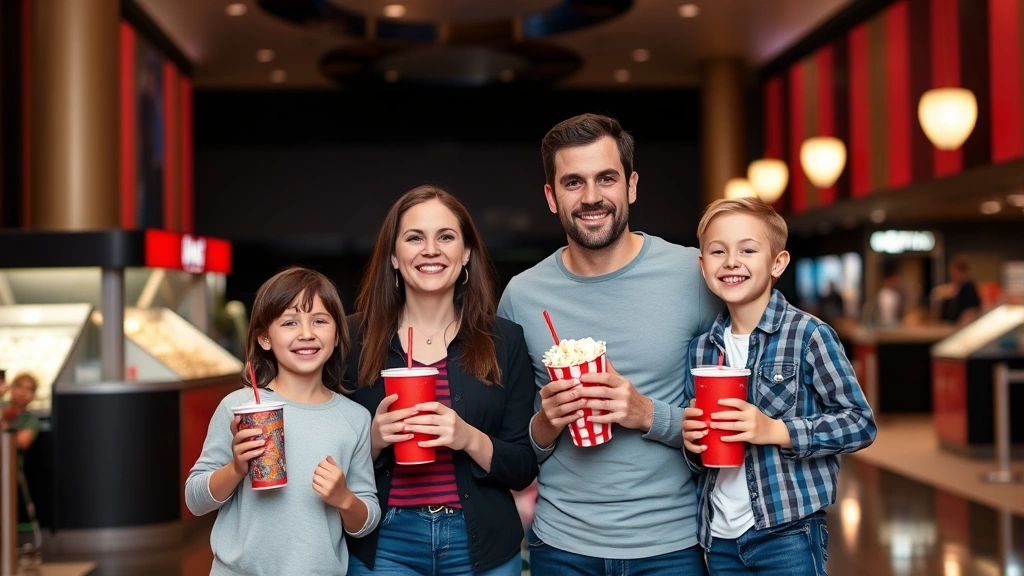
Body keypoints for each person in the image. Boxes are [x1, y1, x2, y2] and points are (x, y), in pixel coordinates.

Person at [497, 113, 719, 574]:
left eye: (606, 178)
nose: (592, 197)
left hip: (673, 545)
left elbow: (732, 421)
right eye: (573, 182)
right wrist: (546, 422)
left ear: (632, 186)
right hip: (561, 546)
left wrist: (645, 414)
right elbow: (513, 444)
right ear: (551, 197)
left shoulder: (693, 275)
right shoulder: (522, 295)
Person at [343, 185, 537, 576]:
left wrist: (468, 438)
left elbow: (524, 465)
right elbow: (319, 454)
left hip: (483, 544)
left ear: (466, 253)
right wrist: (373, 441)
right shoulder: (351, 340)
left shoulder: (506, 340)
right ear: (394, 257)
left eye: (445, 237)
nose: (430, 250)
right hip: (385, 542)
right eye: (414, 238)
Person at [681, 197, 877, 575]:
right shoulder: (701, 349)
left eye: (748, 250)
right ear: (703, 267)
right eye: (718, 251)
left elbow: (860, 422)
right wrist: (692, 443)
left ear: (777, 263)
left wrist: (775, 430)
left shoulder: (808, 335)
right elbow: (698, 454)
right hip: (718, 537)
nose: (732, 262)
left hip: (788, 531)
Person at [186, 267, 379, 575]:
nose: (306, 333)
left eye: (319, 321)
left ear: (337, 333)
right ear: (264, 337)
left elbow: (365, 522)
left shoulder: (354, 419)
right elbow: (195, 500)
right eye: (290, 322)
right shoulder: (237, 408)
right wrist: (236, 468)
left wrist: (344, 499)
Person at [932, 257, 981, 326]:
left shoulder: (968, 288)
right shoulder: (950, 287)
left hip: (961, 326)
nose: (953, 275)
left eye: (955, 272)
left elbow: (972, 310)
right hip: (948, 324)